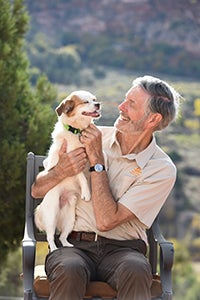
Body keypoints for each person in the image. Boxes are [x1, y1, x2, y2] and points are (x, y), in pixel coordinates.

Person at [32, 75, 181, 300]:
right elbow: (37, 191)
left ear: (153, 119)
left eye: (131, 104)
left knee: (136, 270)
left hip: (124, 251)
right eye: (124, 100)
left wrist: (96, 160)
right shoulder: (88, 134)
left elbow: (106, 220)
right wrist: (60, 171)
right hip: (74, 244)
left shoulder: (161, 169)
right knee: (69, 269)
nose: (120, 107)